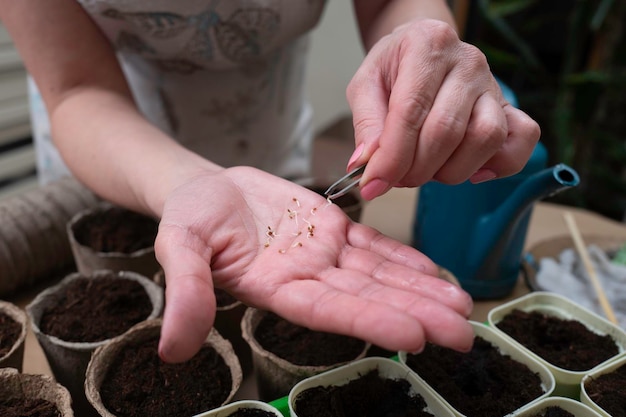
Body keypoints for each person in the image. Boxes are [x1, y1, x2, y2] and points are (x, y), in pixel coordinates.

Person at [0, 0, 540, 363]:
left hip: (267, 152)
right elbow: (76, 89)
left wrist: (418, 45)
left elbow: (394, 5)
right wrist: (187, 182)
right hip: (116, 152)